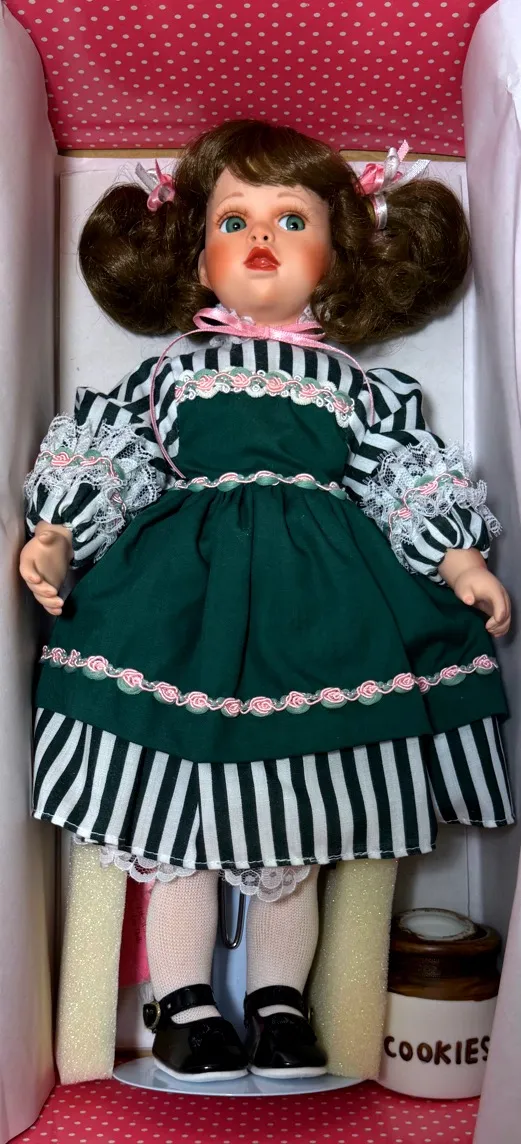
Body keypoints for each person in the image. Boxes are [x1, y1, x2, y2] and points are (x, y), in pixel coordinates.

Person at [20, 120, 513, 1084]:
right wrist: (60, 529)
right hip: (179, 609)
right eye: (232, 219)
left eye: (292, 220)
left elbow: (402, 474)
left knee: (299, 828)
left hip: (321, 614)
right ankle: (186, 1005)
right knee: (179, 826)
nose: (260, 238)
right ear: (193, 251)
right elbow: (116, 455)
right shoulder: (171, 373)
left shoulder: (360, 388)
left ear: (340, 254)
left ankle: (280, 1005)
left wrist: (456, 557)